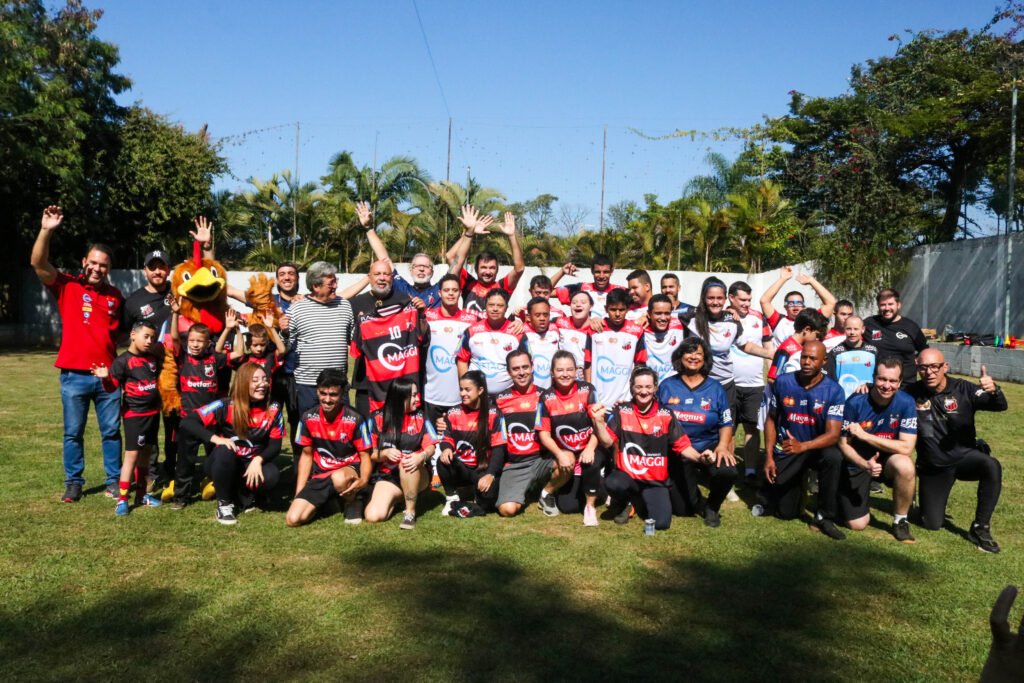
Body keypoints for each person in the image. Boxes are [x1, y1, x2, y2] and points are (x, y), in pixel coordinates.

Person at [31, 205, 125, 501]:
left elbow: (119, 333)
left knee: (111, 432)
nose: (97, 268)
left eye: (103, 265)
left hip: (107, 377)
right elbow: (38, 263)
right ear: (85, 262)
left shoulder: (115, 296)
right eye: (94, 263)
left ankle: (114, 480)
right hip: (73, 376)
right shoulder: (67, 286)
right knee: (73, 433)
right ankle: (74, 482)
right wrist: (46, 229)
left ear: (109, 269)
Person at [906, 348, 1008, 553]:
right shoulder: (910, 392)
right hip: (934, 466)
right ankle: (917, 503)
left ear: (945, 367)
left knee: (991, 465)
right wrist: (867, 387)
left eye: (934, 367)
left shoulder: (963, 389)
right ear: (918, 369)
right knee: (932, 523)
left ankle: (981, 528)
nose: (929, 372)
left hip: (964, 457)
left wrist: (995, 390)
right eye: (923, 368)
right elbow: (884, 394)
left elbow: (1000, 406)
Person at [595, 367, 702, 531]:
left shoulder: (666, 415)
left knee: (661, 524)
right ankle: (626, 500)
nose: (643, 391)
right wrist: (599, 423)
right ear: (632, 387)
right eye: (639, 387)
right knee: (612, 483)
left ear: (655, 388)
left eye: (648, 387)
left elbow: (683, 446)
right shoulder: (622, 411)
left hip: (654, 482)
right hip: (628, 476)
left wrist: (701, 458)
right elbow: (607, 442)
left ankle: (637, 501)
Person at [180, 363, 284, 525]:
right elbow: (188, 422)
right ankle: (224, 504)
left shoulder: (273, 409)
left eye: (264, 379)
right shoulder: (224, 405)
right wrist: (216, 439)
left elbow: (275, 446)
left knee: (272, 476)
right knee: (224, 449)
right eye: (255, 380)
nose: (262, 384)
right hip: (222, 462)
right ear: (243, 383)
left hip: (250, 464)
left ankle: (241, 493)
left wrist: (258, 460)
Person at [762, 341, 846, 540]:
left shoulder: (834, 390)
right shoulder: (783, 382)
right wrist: (768, 457)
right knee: (785, 513)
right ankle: (795, 486)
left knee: (833, 457)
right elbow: (771, 419)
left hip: (817, 448)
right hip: (790, 448)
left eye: (813, 358)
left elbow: (833, 435)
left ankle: (824, 515)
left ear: (824, 361)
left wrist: (805, 446)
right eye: (804, 357)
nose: (807, 362)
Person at [657, 338, 738, 528]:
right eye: (689, 352)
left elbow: (725, 421)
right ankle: (694, 499)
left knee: (728, 471)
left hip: (708, 445)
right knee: (683, 510)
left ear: (705, 359)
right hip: (678, 449)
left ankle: (712, 506)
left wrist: (722, 447)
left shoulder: (716, 388)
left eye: (699, 353)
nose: (693, 357)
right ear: (680, 356)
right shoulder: (667, 386)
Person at [837, 358, 918, 542]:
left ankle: (900, 521)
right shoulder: (855, 402)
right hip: (859, 460)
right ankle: (836, 496)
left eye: (892, 381)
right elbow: (843, 444)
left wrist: (865, 436)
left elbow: (906, 447)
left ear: (899, 382)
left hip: (888, 461)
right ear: (873, 378)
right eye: (882, 379)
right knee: (857, 524)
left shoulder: (906, 403)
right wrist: (864, 464)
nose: (887, 385)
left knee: (905, 465)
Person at [91, 320, 165, 515]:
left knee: (146, 455)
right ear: (133, 335)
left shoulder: (152, 358)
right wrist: (105, 377)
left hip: (153, 414)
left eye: (152, 337)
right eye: (145, 336)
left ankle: (142, 495)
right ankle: (123, 499)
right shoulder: (122, 361)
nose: (149, 341)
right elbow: (111, 387)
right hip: (135, 416)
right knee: (131, 456)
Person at [286, 369, 372, 528]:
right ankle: (330, 501)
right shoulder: (307, 418)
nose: (327, 399)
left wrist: (363, 481)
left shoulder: (355, 419)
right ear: (317, 391)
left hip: (347, 470)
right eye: (322, 393)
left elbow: (365, 456)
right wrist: (300, 492)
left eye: (333, 395)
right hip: (321, 474)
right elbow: (306, 456)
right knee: (293, 519)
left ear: (342, 394)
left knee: (339, 478)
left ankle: (353, 502)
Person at [167, 298, 229, 509]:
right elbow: (174, 337)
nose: (194, 344)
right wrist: (175, 313)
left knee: (214, 458)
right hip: (188, 420)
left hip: (211, 419)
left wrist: (231, 330)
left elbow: (235, 353)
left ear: (207, 343)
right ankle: (181, 497)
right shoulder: (183, 357)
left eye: (199, 341)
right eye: (191, 340)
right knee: (185, 461)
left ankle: (215, 487)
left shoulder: (214, 359)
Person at [122, 249, 177, 483]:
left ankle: (172, 469)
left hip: (176, 368)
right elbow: (126, 335)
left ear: (168, 269)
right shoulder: (133, 300)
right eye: (152, 267)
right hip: (146, 372)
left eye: (162, 266)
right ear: (145, 270)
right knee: (148, 425)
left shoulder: (179, 291)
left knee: (174, 423)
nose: (158, 271)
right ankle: (150, 473)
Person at [349, 259, 429, 414]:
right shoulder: (356, 303)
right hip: (367, 384)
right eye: (377, 274)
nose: (382, 278)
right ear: (369, 277)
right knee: (370, 432)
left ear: (392, 277)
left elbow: (423, 338)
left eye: (386, 274)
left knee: (398, 432)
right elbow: (352, 346)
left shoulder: (406, 301)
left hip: (399, 383)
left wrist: (421, 316)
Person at [680, 277, 773, 405]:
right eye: (710, 298)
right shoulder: (690, 317)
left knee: (728, 424)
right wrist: (645, 316)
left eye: (719, 298)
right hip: (700, 383)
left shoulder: (732, 320)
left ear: (725, 299)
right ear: (703, 298)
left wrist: (771, 354)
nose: (715, 302)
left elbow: (744, 345)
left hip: (726, 385)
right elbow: (664, 313)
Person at [537, 351, 602, 525]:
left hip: (588, 449)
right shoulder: (545, 398)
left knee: (592, 462)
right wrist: (559, 454)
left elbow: (598, 425)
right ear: (552, 372)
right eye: (560, 370)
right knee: (569, 506)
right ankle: (550, 492)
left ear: (576, 371)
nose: (565, 374)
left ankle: (590, 507)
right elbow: (543, 433)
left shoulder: (587, 390)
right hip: (567, 456)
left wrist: (590, 448)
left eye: (569, 369)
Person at [364, 380, 439, 529]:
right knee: (373, 516)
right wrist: (384, 453)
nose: (418, 398)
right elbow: (369, 454)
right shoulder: (377, 418)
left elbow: (431, 447)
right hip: (389, 476)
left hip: (417, 472)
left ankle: (410, 512)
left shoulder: (421, 417)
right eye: (413, 395)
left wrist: (421, 456)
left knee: (406, 462)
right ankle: (399, 498)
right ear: (400, 398)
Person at [359, 200, 459, 309]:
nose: (421, 269)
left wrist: (468, 234)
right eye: (417, 266)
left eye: (426, 266)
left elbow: (457, 263)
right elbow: (384, 258)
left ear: (432, 271)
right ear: (410, 270)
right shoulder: (401, 287)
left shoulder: (441, 289)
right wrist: (368, 228)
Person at [287, 261, 356, 418]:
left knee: (342, 432)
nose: (335, 286)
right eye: (331, 283)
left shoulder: (345, 305)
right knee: (307, 432)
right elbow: (285, 346)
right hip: (308, 386)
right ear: (316, 286)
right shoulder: (297, 309)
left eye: (335, 281)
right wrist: (283, 331)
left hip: (338, 385)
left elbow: (353, 339)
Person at [437, 371, 507, 516]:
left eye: (467, 390)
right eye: (461, 389)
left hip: (483, 469)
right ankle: (451, 498)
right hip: (462, 468)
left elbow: (499, 448)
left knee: (488, 502)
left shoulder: (494, 413)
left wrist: (490, 474)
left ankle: (475, 492)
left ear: (480, 390)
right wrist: (446, 449)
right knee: (442, 460)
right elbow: (446, 438)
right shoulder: (453, 412)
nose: (463, 393)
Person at [493, 350, 553, 517]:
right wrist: (444, 422)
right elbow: (482, 422)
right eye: (516, 369)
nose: (521, 372)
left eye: (525, 367)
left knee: (568, 460)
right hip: (515, 464)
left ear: (532, 367)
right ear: (509, 372)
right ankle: (528, 486)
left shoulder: (546, 395)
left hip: (543, 460)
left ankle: (546, 492)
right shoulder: (499, 399)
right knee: (507, 510)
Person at [727, 280, 772, 483]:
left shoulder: (758, 317)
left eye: (749, 300)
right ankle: (728, 471)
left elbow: (767, 346)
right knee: (728, 429)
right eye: (742, 300)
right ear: (731, 298)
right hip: (729, 384)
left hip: (755, 385)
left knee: (752, 428)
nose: (747, 304)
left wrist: (772, 374)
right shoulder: (724, 317)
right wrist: (727, 313)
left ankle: (751, 472)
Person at [424, 274, 480, 425]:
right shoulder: (427, 317)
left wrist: (516, 321)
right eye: (447, 290)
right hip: (431, 396)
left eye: (455, 290)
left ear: (460, 292)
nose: (450, 293)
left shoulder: (471, 320)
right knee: (432, 444)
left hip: (460, 396)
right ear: (439, 293)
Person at [446, 208, 525, 315]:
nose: (487, 272)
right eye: (484, 267)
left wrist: (511, 236)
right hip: (469, 331)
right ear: (476, 269)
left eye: (492, 268)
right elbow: (450, 256)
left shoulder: (502, 287)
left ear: (497, 271)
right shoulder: (467, 283)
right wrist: (470, 232)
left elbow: (519, 269)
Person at [456, 289, 526, 395]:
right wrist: (467, 389)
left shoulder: (517, 332)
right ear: (485, 306)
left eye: (500, 305)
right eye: (491, 305)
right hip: (478, 397)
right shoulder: (471, 331)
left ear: (506, 308)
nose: (495, 309)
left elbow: (527, 365)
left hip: (508, 396)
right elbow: (461, 360)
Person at [588, 288, 647, 407]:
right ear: (606, 309)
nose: (617, 314)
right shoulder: (594, 329)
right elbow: (587, 363)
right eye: (613, 309)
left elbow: (640, 364)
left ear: (628, 309)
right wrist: (589, 393)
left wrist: (634, 394)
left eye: (621, 309)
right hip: (598, 402)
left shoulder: (637, 331)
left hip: (624, 401)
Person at [759, 266, 837, 346]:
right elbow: (764, 301)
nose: (795, 307)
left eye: (799, 303)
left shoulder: (813, 319)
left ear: (804, 306)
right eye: (791, 304)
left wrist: (812, 281)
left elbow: (831, 303)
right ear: (785, 307)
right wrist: (782, 279)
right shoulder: (778, 321)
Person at [863, 288, 928, 384]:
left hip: (906, 385)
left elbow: (925, 351)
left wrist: (918, 361)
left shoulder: (911, 327)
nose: (886, 308)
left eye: (890, 304)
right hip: (877, 384)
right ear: (878, 306)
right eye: (883, 305)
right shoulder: (869, 324)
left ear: (898, 305)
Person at [766, 308, 830, 383]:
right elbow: (773, 379)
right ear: (807, 329)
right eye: (817, 335)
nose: (818, 339)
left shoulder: (803, 347)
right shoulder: (786, 349)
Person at [551, 254, 622, 319]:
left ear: (611, 272)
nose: (601, 276)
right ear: (592, 271)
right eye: (597, 272)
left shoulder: (621, 291)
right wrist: (561, 272)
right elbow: (547, 292)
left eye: (606, 272)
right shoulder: (581, 288)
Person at [220, 313, 286, 381]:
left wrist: (271, 328)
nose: (259, 349)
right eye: (255, 345)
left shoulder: (270, 357)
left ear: (267, 343)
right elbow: (219, 351)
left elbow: (282, 350)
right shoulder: (244, 360)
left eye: (262, 345)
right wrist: (231, 329)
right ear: (247, 344)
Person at [825, 316, 879, 398]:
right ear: (844, 329)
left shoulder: (873, 351)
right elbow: (830, 380)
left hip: (868, 399)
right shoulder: (835, 352)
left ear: (863, 329)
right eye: (849, 329)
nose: (852, 332)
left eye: (856, 329)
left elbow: (879, 376)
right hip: (844, 399)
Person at [553, 289, 598, 379]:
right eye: (574, 302)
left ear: (591, 306)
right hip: (562, 375)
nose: (578, 305)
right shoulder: (559, 322)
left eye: (583, 302)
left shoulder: (596, 327)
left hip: (585, 376)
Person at [642, 294, 686, 383]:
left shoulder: (679, 323)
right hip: (649, 388)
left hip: (673, 386)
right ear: (649, 314)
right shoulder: (640, 329)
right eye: (658, 313)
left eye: (667, 313)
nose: (663, 318)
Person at [522, 297, 560, 390]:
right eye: (537, 315)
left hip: (553, 391)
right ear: (528, 317)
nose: (542, 318)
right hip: (531, 392)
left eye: (545, 315)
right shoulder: (521, 333)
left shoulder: (556, 329)